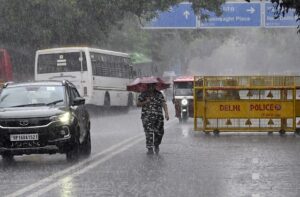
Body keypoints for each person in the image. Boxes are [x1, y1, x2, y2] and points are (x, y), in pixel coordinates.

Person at [137, 83, 169, 155]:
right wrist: (145, 101)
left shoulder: (159, 94)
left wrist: (166, 113)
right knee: (149, 133)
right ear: (147, 86)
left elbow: (163, 104)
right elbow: (138, 104)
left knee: (159, 133)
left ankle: (156, 144)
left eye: (153, 86)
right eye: (149, 86)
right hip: (146, 117)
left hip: (158, 117)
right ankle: (150, 148)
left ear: (155, 86)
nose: (151, 87)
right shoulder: (143, 94)